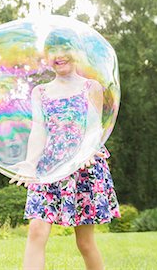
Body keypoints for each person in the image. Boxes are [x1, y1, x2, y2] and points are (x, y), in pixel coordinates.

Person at [9, 28, 121, 270]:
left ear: (76, 52)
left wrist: (88, 152)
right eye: (53, 51)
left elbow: (93, 128)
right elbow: (38, 130)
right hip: (49, 167)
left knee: (85, 242)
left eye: (64, 48)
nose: (59, 55)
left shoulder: (91, 88)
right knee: (37, 231)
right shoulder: (40, 92)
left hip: (84, 166)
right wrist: (30, 163)